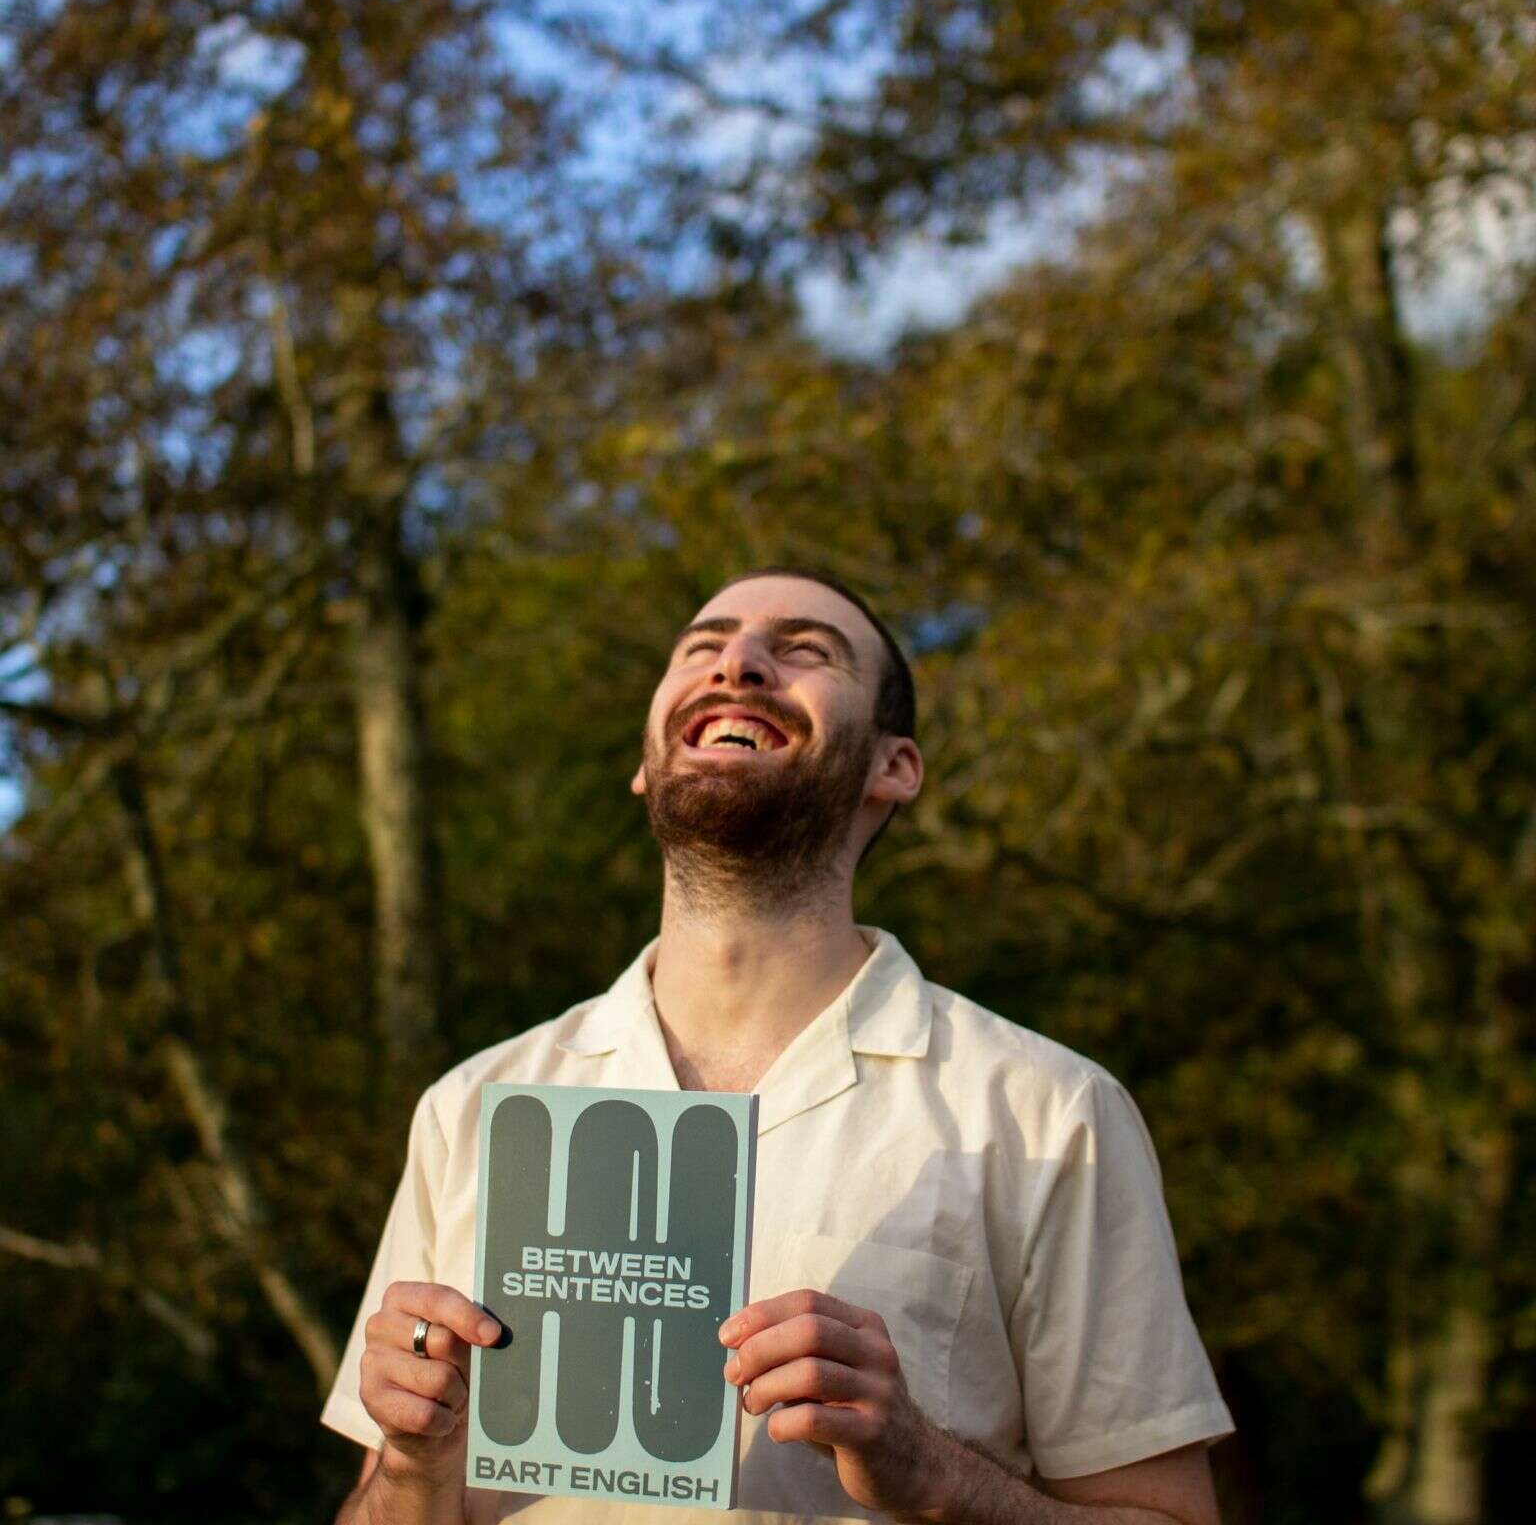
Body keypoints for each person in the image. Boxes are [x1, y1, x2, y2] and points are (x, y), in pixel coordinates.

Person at [323, 567, 1235, 1525]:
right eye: (701, 647)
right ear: (645, 757)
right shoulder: (471, 1107)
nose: (738, 664)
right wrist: (414, 1470)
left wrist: (931, 1473)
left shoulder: (1048, 1112)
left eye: (805, 651)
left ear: (895, 768)